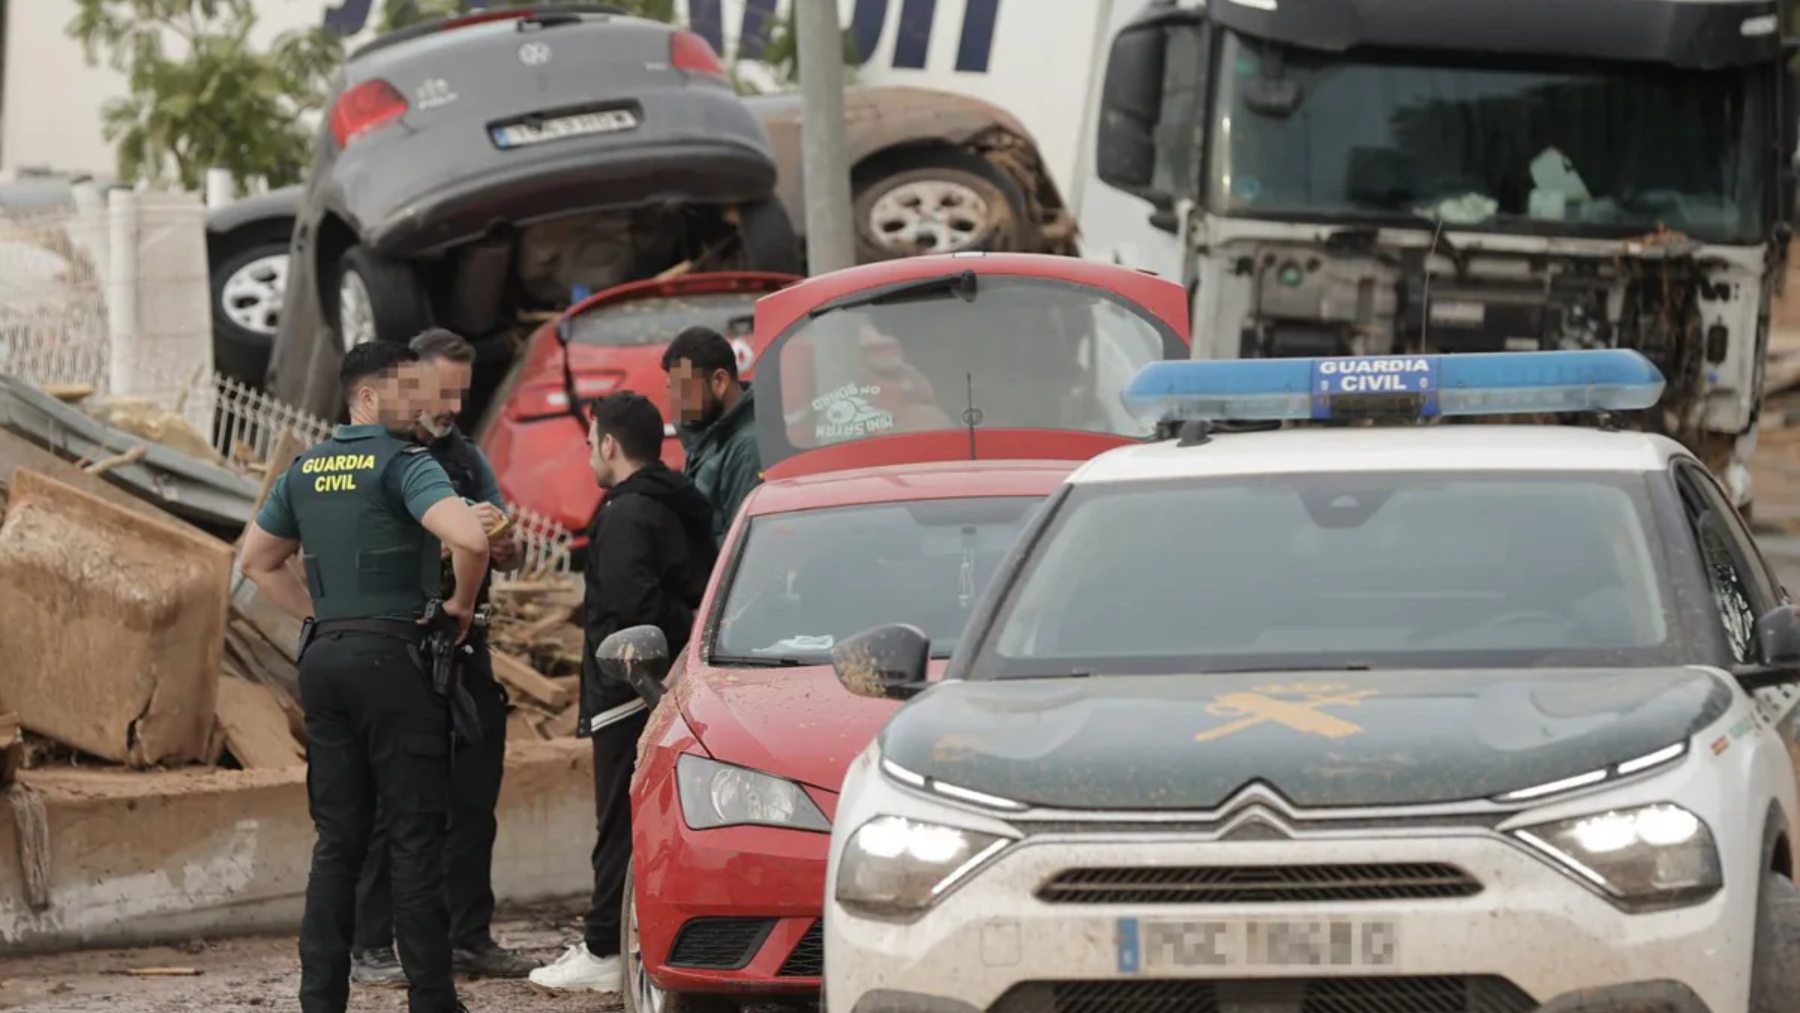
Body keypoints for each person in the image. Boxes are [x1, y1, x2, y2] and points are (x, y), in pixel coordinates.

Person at [240, 341, 490, 1013]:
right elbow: (469, 537)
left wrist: (317, 612)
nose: (423, 402)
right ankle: (432, 999)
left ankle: (321, 998)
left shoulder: (305, 469)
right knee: (413, 834)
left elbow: (256, 560)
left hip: (324, 662)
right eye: (409, 389)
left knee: (339, 839)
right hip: (395, 663)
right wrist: (462, 605)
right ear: (370, 397)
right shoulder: (405, 464)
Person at [350, 329, 533, 986]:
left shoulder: (465, 457)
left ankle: (468, 936)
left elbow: (506, 544)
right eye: (440, 390)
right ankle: (371, 943)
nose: (452, 404)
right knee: (389, 800)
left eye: (462, 391)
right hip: (396, 649)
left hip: (463, 647)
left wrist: (503, 544)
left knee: (473, 794)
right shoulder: (374, 456)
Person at [529, 391, 716, 992]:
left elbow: (632, 607)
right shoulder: (680, 502)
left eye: (589, 444)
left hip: (627, 693)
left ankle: (605, 947)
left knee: (617, 821)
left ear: (609, 444)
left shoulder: (626, 515)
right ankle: (617, 936)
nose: (588, 455)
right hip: (667, 685)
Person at [662, 326, 760, 544]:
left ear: (719, 381)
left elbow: (742, 547)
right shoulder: (705, 436)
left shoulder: (748, 448)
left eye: (683, 389)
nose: (677, 401)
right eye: (672, 389)